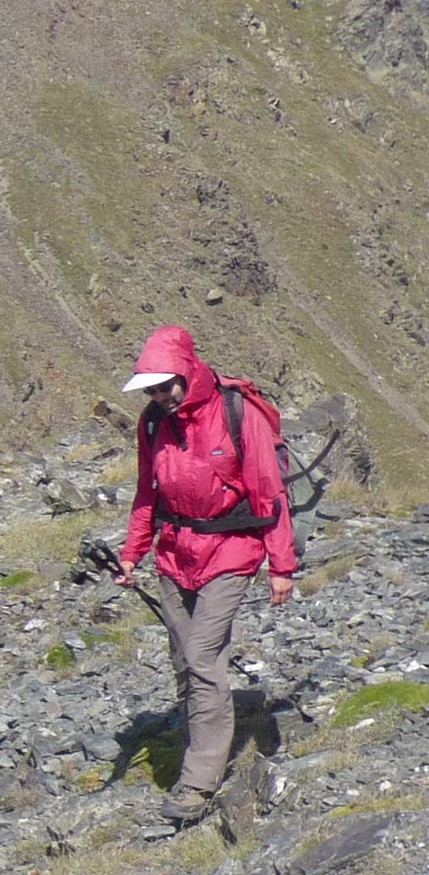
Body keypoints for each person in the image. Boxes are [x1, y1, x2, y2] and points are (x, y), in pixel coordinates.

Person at [116, 325, 296, 825]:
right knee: (184, 659)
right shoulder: (153, 423)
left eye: (163, 386)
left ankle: (198, 782)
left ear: (185, 373)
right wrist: (132, 554)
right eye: (150, 390)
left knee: (200, 656)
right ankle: (202, 736)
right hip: (175, 555)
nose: (157, 397)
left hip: (232, 550)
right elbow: (147, 493)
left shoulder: (236, 413)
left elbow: (269, 492)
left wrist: (281, 566)